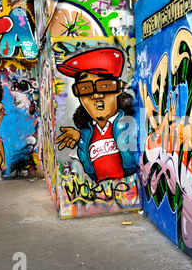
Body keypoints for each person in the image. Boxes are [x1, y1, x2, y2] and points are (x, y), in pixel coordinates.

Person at [56, 47, 138, 183]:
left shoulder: (131, 124)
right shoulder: (86, 133)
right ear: (80, 97)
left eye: (105, 86)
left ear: (119, 89)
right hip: (98, 192)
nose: (96, 95)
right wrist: (79, 138)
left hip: (126, 191)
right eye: (85, 88)